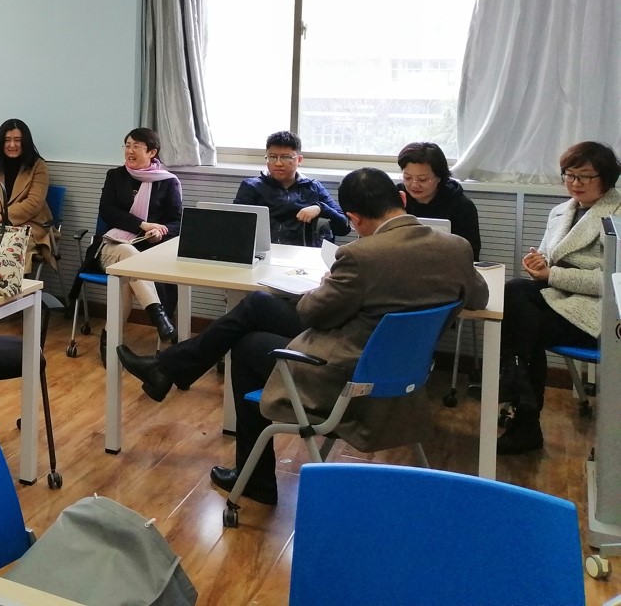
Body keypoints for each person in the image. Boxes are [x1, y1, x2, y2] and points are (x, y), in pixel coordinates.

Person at [118, 168, 486, 506]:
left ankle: (255, 477)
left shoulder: (362, 256)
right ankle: (168, 369)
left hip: (346, 374)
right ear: (402, 198)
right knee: (258, 304)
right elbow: (478, 297)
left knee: (248, 345)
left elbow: (313, 314)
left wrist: (325, 285)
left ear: (354, 219)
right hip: (403, 369)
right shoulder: (455, 248)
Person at [497, 141, 621, 455]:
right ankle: (523, 407)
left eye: (585, 176)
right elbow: (546, 261)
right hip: (559, 301)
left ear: (606, 178)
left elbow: (612, 282)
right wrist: (537, 264)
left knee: (520, 319)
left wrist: (550, 275)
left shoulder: (617, 215)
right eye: (570, 175)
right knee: (516, 296)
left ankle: (522, 408)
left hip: (600, 315)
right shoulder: (561, 211)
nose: (575, 183)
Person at [96, 128, 183, 344]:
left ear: (152, 152)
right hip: (113, 246)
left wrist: (160, 231)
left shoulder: (168, 182)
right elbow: (107, 211)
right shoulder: (115, 176)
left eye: (136, 146)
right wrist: (142, 225)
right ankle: (158, 315)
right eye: (127, 145)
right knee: (128, 253)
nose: (130, 151)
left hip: (151, 251)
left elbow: (177, 222)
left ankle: (109, 340)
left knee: (125, 279)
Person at [235, 131, 349, 247]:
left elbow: (344, 227)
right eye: (272, 157)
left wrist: (320, 208)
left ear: (299, 160)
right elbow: (235, 226)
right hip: (263, 251)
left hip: (303, 252)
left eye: (285, 157)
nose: (278, 163)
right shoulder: (252, 187)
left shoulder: (313, 187)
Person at [0, 119, 54, 273]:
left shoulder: (38, 165)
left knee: (8, 248)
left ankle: (12, 287)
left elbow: (34, 202)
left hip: (28, 226)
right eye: (7, 140)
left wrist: (2, 217)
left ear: (25, 142)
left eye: (17, 140)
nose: (12, 145)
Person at [395, 141, 481, 260]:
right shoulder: (395, 198)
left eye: (423, 179)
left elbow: (470, 253)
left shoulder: (461, 206)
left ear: (439, 177)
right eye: (407, 177)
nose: (414, 185)